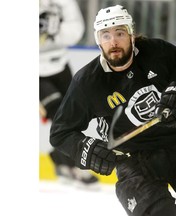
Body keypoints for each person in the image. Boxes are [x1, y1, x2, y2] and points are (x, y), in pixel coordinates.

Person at [50, 4, 176, 215]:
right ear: (98, 41)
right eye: (105, 35)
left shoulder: (160, 53)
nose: (113, 41)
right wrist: (86, 149)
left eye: (120, 33)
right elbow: (61, 132)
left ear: (131, 35)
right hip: (133, 163)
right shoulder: (87, 81)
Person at [39, 0, 99, 186]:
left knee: (73, 115)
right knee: (59, 113)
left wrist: (55, 32)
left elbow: (76, 30)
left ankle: (59, 158)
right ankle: (77, 164)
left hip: (61, 64)